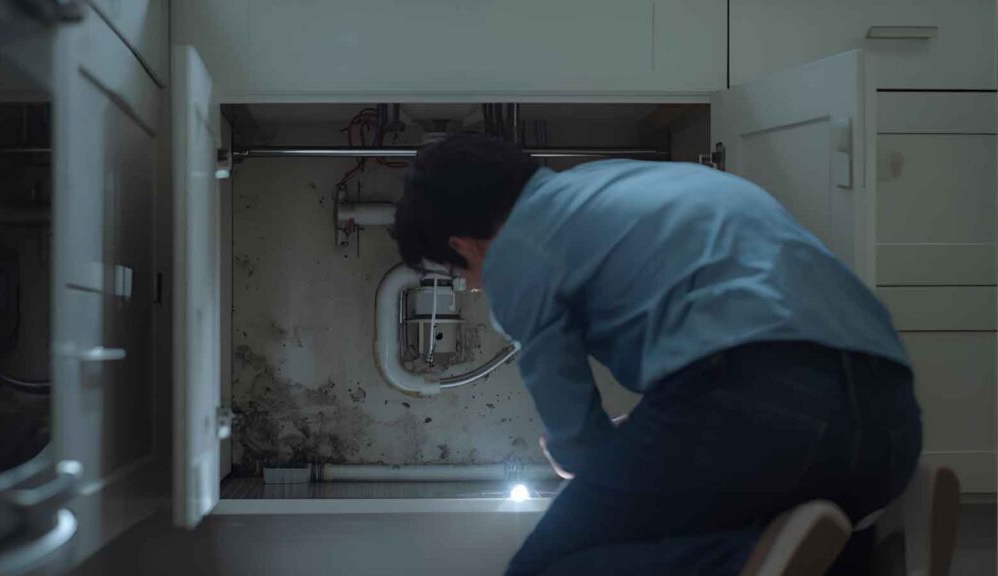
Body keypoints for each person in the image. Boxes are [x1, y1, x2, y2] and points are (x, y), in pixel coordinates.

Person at [391, 132, 921, 575]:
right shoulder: (631, 183)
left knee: (549, 564)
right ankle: (872, 555)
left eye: (461, 274)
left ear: (463, 245)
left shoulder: (517, 250)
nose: (477, 286)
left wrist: (584, 453)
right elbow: (739, 317)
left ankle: (751, 564)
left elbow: (579, 444)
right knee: (777, 535)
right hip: (888, 421)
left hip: (758, 410)